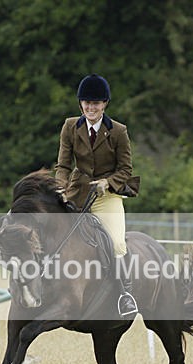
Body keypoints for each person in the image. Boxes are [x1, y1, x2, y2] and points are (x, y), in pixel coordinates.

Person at [54, 74, 140, 317]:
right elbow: (62, 165)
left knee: (115, 242)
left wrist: (108, 183)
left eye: (96, 103)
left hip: (107, 196)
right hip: (77, 192)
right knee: (55, 231)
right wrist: (60, 188)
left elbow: (126, 169)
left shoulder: (118, 131)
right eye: (87, 103)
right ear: (81, 104)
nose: (91, 108)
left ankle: (125, 294)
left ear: (105, 104)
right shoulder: (70, 126)